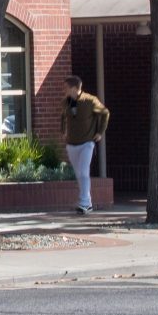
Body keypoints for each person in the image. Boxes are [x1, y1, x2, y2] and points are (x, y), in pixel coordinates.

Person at [61, 75, 109, 215]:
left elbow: (105, 113)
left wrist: (100, 132)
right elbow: (63, 117)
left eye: (66, 87)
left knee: (83, 171)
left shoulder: (90, 101)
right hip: (71, 144)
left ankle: (84, 202)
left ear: (75, 88)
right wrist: (63, 131)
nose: (64, 90)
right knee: (79, 174)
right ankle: (87, 202)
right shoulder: (66, 102)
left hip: (87, 143)